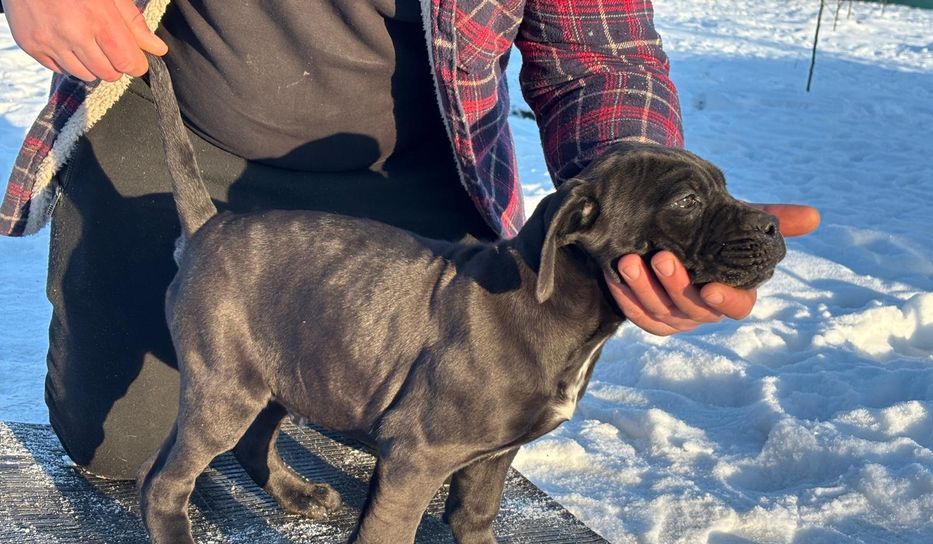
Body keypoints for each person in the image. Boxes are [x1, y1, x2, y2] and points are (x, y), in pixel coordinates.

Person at [1, 0, 819, 480]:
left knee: (417, 449)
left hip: (420, 169)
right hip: (183, 134)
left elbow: (599, 60)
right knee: (125, 452)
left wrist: (634, 210)